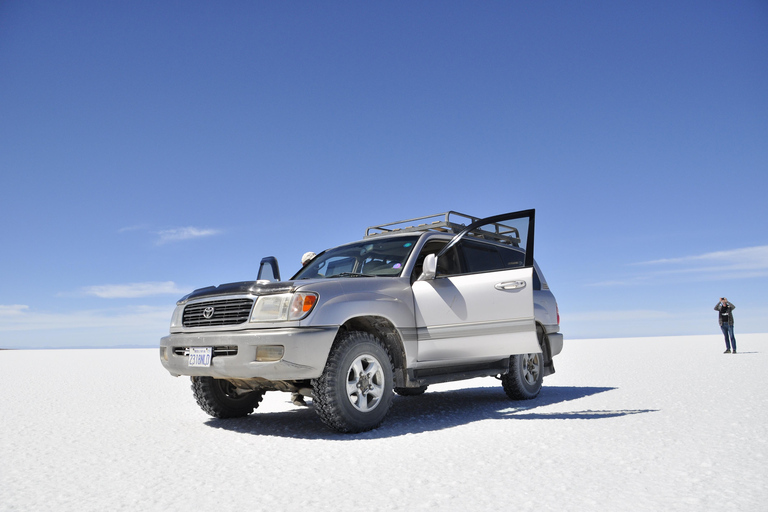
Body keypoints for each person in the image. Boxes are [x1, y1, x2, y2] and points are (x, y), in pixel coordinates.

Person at [291, 251, 317, 407]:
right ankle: (297, 395)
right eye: (309, 262)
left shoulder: (321, 277)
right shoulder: (299, 280)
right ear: (303, 264)